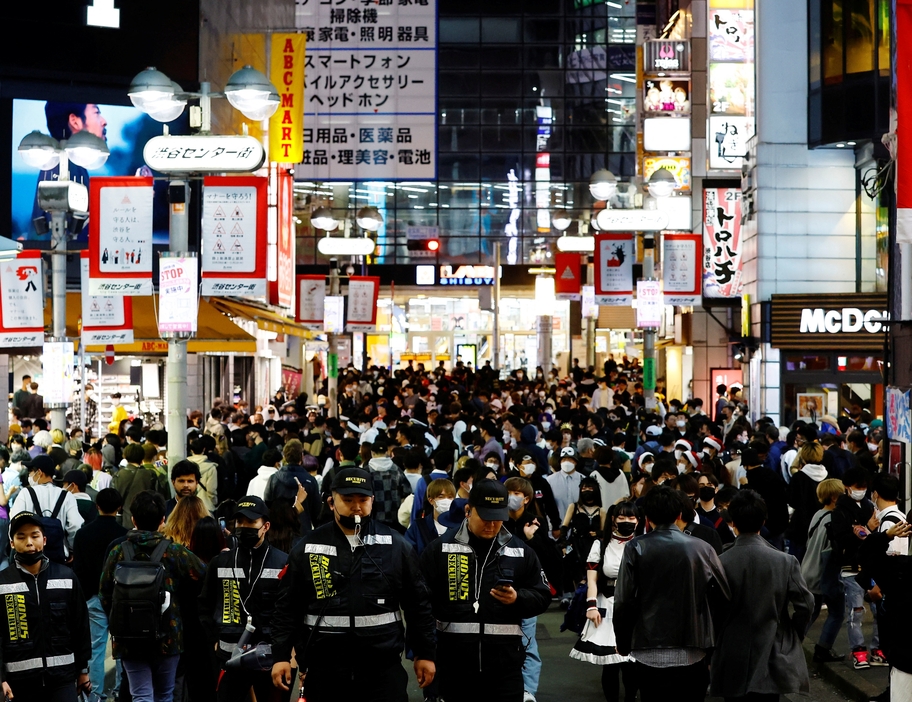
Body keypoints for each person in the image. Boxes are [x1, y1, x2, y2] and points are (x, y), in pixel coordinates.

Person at [269, 467, 436, 702]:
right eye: (347, 500)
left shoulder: (396, 546)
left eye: (363, 499)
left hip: (382, 670)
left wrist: (425, 653)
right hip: (325, 671)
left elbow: (418, 603)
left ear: (372, 501)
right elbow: (287, 607)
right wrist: (281, 656)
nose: (356, 506)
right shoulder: (307, 547)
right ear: (331, 501)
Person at [420, 479, 552, 702]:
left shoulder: (520, 551)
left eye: (498, 518)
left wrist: (518, 598)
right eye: (486, 517)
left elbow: (543, 595)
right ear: (468, 511)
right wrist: (423, 652)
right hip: (453, 666)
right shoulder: (440, 549)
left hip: (505, 668)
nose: (492, 524)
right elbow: (419, 603)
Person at [613, 486, 731, 702]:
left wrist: (622, 641)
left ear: (647, 517)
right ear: (679, 515)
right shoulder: (702, 548)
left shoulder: (635, 547)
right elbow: (723, 597)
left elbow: (623, 600)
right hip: (693, 647)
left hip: (647, 647)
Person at [99, 491, 205, 702]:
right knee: (165, 694)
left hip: (128, 638)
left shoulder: (118, 551)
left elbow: (104, 594)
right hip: (168, 635)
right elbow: (203, 574)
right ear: (162, 520)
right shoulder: (174, 552)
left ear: (133, 519)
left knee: (140, 694)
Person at [709, 489, 814, 701]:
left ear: (733, 523)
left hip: (731, 650)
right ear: (763, 520)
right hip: (772, 648)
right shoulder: (784, 561)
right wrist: (794, 634)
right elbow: (806, 604)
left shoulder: (720, 562)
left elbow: (712, 609)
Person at [199, 496, 288, 702]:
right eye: (239, 522)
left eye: (250, 522)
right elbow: (204, 604)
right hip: (229, 656)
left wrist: (288, 652)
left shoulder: (283, 562)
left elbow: (289, 609)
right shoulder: (220, 562)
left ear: (265, 526)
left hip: (268, 657)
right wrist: (213, 638)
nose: (243, 527)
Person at [0, 510, 92, 702]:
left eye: (35, 535)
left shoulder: (66, 577)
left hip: (63, 680)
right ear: (11, 543)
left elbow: (80, 626)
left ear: (45, 539)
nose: (29, 543)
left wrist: (83, 670)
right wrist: (1, 678)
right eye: (21, 537)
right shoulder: (3, 583)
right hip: (19, 683)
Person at [570, 501, 639, 702]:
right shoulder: (600, 545)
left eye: (631, 517)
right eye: (622, 517)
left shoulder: (643, 543)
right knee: (610, 663)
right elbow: (591, 579)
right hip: (607, 604)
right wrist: (591, 606)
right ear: (613, 519)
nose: (627, 521)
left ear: (638, 520)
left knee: (631, 663)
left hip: (635, 607)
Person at [72, 488, 127, 702]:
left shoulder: (83, 534)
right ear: (119, 507)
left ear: (97, 506)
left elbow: (79, 568)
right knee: (121, 646)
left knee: (95, 648)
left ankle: (94, 695)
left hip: (92, 596)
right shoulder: (123, 535)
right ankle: (121, 691)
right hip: (119, 597)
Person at [829, 466, 879, 669]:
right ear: (847, 487)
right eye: (858, 486)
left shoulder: (870, 506)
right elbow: (842, 540)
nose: (862, 490)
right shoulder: (840, 511)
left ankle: (877, 648)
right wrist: (866, 530)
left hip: (872, 566)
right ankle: (859, 651)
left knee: (878, 610)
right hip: (851, 567)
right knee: (856, 612)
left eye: (865, 486)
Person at [801, 478, 847, 663]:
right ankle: (823, 648)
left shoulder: (818, 515)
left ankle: (790, 648)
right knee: (837, 612)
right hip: (822, 574)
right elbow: (830, 554)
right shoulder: (833, 520)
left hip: (807, 569)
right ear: (835, 497)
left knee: (810, 613)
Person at [10, 454, 84, 556]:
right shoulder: (66, 496)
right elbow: (76, 525)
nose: (29, 475)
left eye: (31, 472)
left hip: (30, 555)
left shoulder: (25, 493)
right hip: (58, 554)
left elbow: (14, 523)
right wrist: (71, 550)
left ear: (39, 472)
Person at [113, 443, 159, 529]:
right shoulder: (150, 475)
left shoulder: (118, 475)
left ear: (125, 456)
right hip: (148, 519)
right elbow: (157, 497)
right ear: (142, 456)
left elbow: (115, 499)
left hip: (125, 520)